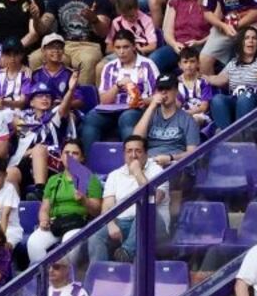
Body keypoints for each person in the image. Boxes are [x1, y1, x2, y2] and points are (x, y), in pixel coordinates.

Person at [86, 135, 169, 265]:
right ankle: (98, 278)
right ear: (124, 154)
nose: (133, 155)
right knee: (96, 236)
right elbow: (107, 206)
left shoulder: (157, 171)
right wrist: (111, 224)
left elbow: (152, 199)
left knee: (144, 210)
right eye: (129, 151)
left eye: (138, 151)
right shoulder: (114, 175)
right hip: (122, 223)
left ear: (146, 154)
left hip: (153, 225)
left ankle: (126, 253)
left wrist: (137, 172)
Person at [33, 0, 112, 88]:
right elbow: (42, 29)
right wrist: (36, 19)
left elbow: (104, 33)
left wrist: (94, 19)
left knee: (87, 61)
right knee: (36, 58)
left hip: (89, 46)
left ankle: (82, 102)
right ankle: (41, 96)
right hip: (62, 45)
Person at [25, 140, 102, 264]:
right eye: (66, 152)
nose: (70, 156)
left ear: (82, 158)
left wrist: (84, 200)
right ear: (61, 157)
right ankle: (43, 280)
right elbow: (44, 208)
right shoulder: (53, 180)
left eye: (75, 153)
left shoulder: (91, 179)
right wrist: (43, 220)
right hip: (56, 222)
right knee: (34, 243)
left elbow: (97, 211)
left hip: (78, 223)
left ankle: (65, 280)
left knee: (69, 243)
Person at [80, 30, 158, 150]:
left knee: (126, 117)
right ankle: (90, 162)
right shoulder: (109, 67)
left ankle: (132, 162)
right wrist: (117, 86)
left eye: (126, 47)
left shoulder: (148, 65)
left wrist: (143, 100)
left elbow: (159, 95)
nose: (121, 52)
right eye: (118, 47)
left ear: (133, 46)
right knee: (91, 118)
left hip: (137, 109)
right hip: (112, 110)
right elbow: (103, 101)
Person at [206, 27, 257, 131]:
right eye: (247, 38)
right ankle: (228, 138)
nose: (251, 41)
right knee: (217, 99)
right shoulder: (233, 63)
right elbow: (220, 79)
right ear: (241, 42)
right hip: (237, 103)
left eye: (254, 38)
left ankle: (242, 136)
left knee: (246, 96)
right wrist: (204, 77)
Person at [132, 74, 200, 168]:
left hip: (174, 165)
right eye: (160, 89)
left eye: (168, 88)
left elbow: (193, 153)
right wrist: (152, 106)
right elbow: (136, 139)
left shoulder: (187, 119)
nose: (164, 92)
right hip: (150, 163)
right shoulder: (150, 114)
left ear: (176, 91)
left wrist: (171, 158)